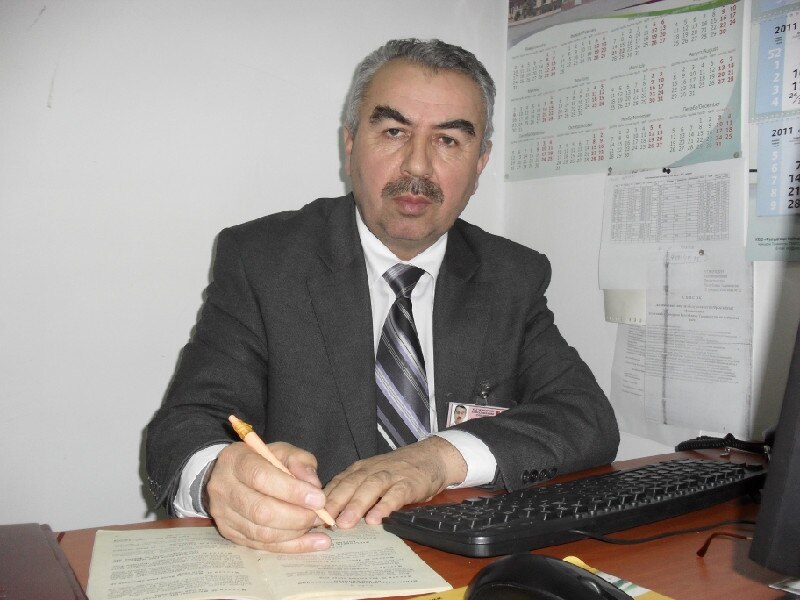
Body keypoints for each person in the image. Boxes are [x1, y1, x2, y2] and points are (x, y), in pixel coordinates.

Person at [145, 38, 619, 554]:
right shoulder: (263, 260)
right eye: (394, 132)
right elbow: (184, 426)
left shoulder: (510, 275)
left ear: (480, 162)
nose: (417, 166)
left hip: (458, 561)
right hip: (312, 559)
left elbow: (585, 417)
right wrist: (216, 477)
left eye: (448, 140)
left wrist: (437, 459)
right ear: (350, 144)